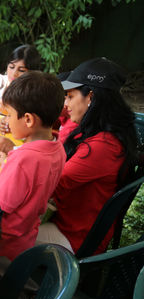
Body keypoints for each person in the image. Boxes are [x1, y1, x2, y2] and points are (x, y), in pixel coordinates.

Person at [36, 57, 139, 254]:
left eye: (70, 96)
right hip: (71, 222)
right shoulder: (101, 132)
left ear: (90, 97)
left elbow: (50, 185)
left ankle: (27, 284)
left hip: (75, 236)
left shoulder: (103, 147)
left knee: (2, 232)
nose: (65, 104)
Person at [0, 71, 66, 264]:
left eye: (8, 115)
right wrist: (8, 162)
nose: (6, 121)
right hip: (26, 235)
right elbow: (32, 182)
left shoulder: (23, 160)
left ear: (28, 120)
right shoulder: (57, 148)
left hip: (1, 244)